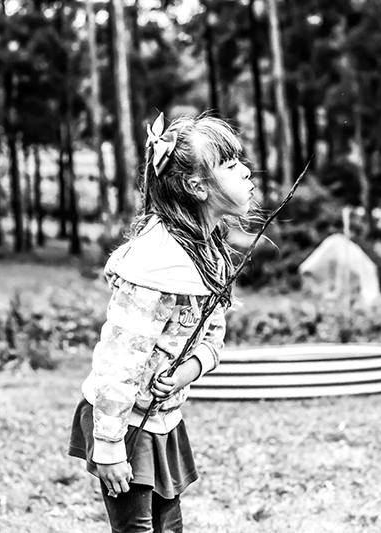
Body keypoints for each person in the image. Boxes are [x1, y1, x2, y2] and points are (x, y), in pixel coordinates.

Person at [68, 112, 256, 533]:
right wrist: (111, 445)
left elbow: (212, 333)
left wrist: (188, 369)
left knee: (168, 528)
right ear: (197, 186)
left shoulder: (207, 252)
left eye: (239, 161)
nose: (246, 172)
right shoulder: (157, 264)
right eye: (229, 165)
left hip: (163, 420)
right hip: (125, 420)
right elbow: (116, 362)